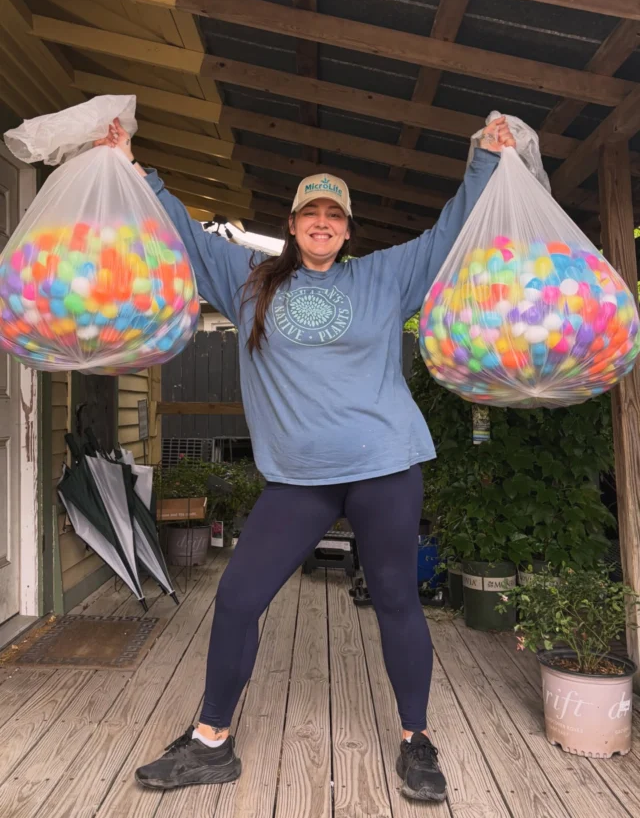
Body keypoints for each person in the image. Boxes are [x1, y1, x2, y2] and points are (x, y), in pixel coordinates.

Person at [95, 114, 515, 803]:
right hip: (297, 481)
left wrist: (488, 162)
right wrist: (136, 169)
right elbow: (181, 232)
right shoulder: (248, 279)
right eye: (310, 212)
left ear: (348, 229)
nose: (322, 222)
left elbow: (449, 233)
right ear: (292, 224)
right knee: (236, 597)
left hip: (385, 467)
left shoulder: (385, 277)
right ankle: (210, 741)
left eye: (334, 214)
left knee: (396, 601)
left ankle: (416, 739)